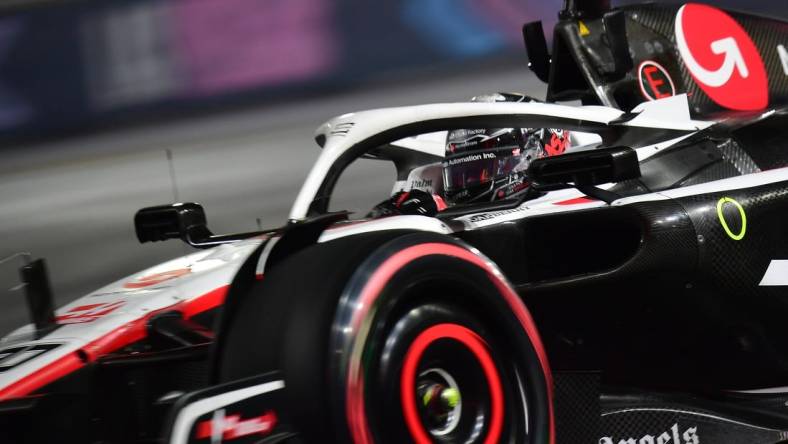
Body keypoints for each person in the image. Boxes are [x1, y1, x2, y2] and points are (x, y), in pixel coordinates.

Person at [368, 93, 571, 217]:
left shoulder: (569, 203)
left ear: (533, 155)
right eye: (463, 172)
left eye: (485, 170)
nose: (469, 183)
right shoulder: (432, 205)